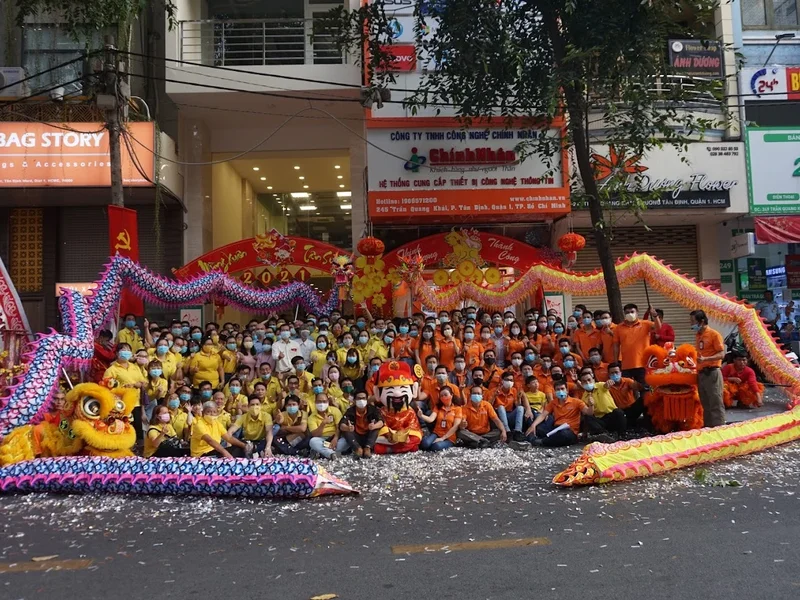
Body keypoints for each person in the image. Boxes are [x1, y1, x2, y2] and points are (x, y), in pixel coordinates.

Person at [527, 378, 593, 447]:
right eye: (558, 389)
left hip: (570, 431)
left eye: (562, 389)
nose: (560, 391)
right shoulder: (553, 403)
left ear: (567, 390)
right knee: (538, 427)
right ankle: (545, 440)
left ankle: (542, 441)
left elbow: (589, 412)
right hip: (556, 429)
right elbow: (543, 415)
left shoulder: (577, 402)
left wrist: (591, 405)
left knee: (564, 434)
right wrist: (533, 425)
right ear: (555, 392)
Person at [612, 303, 661, 386]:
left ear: (637, 312)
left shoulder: (645, 324)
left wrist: (655, 316)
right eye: (627, 312)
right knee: (626, 389)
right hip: (626, 365)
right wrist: (616, 361)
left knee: (644, 388)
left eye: (632, 311)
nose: (630, 314)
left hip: (643, 363)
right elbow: (616, 345)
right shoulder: (618, 328)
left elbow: (658, 328)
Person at [692, 309, 726, 427]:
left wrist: (706, 359)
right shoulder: (698, 335)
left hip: (712, 372)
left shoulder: (714, 334)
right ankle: (708, 429)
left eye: (693, 322)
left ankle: (719, 429)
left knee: (715, 404)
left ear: (701, 322)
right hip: (702, 373)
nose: (691, 325)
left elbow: (721, 354)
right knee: (705, 404)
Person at [577, 369, 626, 441]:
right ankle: (604, 435)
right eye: (584, 381)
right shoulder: (584, 397)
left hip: (611, 416)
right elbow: (588, 414)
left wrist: (609, 382)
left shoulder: (600, 385)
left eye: (589, 380)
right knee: (588, 417)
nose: (587, 382)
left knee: (618, 412)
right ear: (581, 383)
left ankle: (622, 435)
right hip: (600, 420)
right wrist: (584, 433)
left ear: (593, 380)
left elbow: (606, 385)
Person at [339, 391, 384, 458]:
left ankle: (367, 448)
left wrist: (374, 426)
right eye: (359, 398)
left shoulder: (373, 409)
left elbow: (381, 422)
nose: (361, 400)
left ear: (366, 399)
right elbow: (341, 425)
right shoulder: (350, 411)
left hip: (368, 435)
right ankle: (358, 449)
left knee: (375, 429)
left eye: (363, 398)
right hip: (355, 436)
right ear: (354, 400)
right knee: (347, 431)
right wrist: (348, 428)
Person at [417, 387, 463, 451]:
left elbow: (456, 426)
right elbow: (431, 419)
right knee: (425, 444)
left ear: (451, 395)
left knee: (436, 446)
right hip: (437, 433)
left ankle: (448, 444)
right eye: (441, 396)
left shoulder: (458, 408)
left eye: (445, 395)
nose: (443, 397)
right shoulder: (438, 407)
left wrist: (443, 438)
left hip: (449, 436)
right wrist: (421, 415)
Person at [307, 393, 347, 459]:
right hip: (322, 439)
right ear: (315, 402)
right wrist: (323, 423)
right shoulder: (312, 417)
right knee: (313, 441)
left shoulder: (335, 410)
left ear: (328, 402)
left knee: (347, 440)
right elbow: (315, 434)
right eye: (319, 401)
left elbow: (339, 427)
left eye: (324, 401)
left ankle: (321, 452)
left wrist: (336, 438)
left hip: (336, 437)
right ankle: (331, 454)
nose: (322, 404)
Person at [489, 371, 525, 441]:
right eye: (507, 379)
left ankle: (518, 431)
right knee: (501, 407)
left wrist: (519, 398)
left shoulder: (514, 390)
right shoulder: (494, 391)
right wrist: (494, 396)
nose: (509, 381)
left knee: (520, 408)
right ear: (502, 380)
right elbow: (488, 406)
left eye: (511, 380)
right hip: (498, 416)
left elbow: (517, 406)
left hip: (509, 414)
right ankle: (507, 431)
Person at [605, 362, 642, 429]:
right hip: (619, 412)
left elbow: (638, 387)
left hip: (631, 408)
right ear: (609, 375)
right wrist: (605, 388)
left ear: (620, 373)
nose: (614, 374)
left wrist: (637, 383)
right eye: (612, 373)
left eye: (616, 372)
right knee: (617, 413)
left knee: (644, 399)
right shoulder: (606, 386)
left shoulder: (627, 381)